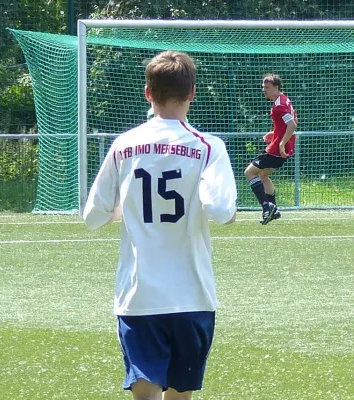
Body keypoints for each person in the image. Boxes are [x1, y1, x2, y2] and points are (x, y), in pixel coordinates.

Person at [83, 51, 237, 400]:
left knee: (145, 396)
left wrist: (119, 209)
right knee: (180, 396)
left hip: (140, 297)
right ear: (192, 93)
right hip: (193, 296)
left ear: (147, 93)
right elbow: (222, 209)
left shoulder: (123, 145)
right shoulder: (209, 146)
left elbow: (92, 217)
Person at [244, 73, 298, 225]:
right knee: (262, 175)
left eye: (267, 87)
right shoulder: (284, 100)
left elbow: (292, 125)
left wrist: (281, 143)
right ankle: (274, 210)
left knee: (249, 172)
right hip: (285, 148)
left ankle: (267, 207)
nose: (264, 90)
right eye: (263, 87)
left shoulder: (279, 105)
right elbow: (294, 121)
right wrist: (275, 134)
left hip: (277, 149)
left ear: (276, 87)